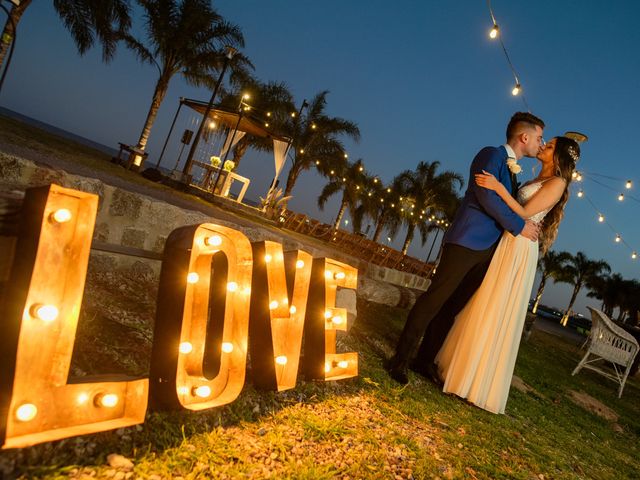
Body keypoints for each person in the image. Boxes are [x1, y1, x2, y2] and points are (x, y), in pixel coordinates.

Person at [384, 112, 544, 385]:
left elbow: (504, 199)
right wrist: (519, 226)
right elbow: (486, 198)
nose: (540, 144)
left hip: (487, 251)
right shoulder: (490, 155)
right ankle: (399, 359)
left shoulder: (513, 172)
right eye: (539, 138)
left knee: (453, 307)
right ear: (524, 137)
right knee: (434, 299)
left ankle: (424, 360)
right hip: (466, 240)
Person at [435, 136, 579, 414]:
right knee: (484, 301)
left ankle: (478, 383)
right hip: (509, 239)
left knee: (498, 305)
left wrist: (498, 187)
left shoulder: (557, 183)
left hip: (520, 246)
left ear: (558, 157)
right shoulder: (535, 178)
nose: (543, 147)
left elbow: (525, 211)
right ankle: (463, 370)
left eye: (549, 147)